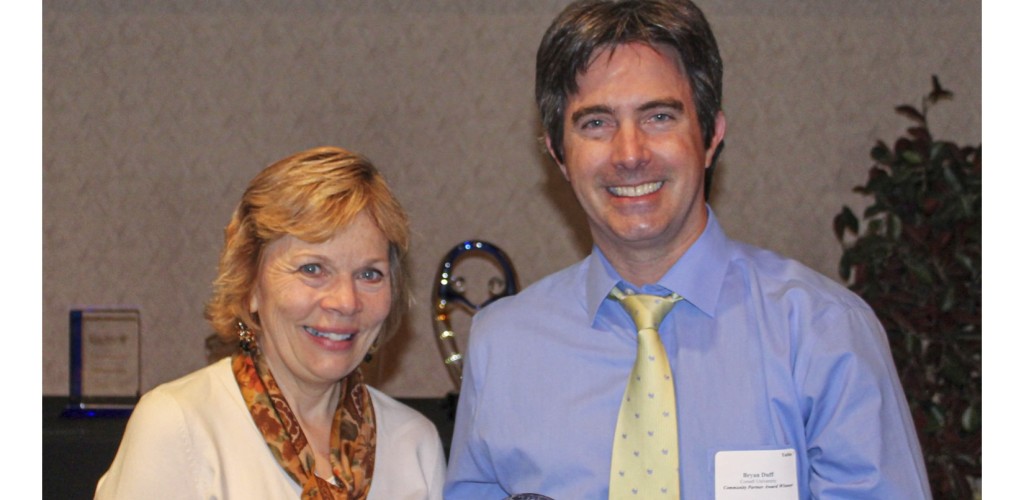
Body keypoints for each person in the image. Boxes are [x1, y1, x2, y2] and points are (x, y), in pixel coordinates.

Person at [444, 1, 931, 498]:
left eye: (658, 116)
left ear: (711, 136)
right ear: (557, 153)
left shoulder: (823, 333)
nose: (629, 154)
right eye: (596, 123)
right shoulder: (502, 346)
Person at [96, 146, 446, 499]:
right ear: (250, 284)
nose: (346, 301)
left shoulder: (414, 446)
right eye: (313, 269)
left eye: (369, 274)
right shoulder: (178, 426)